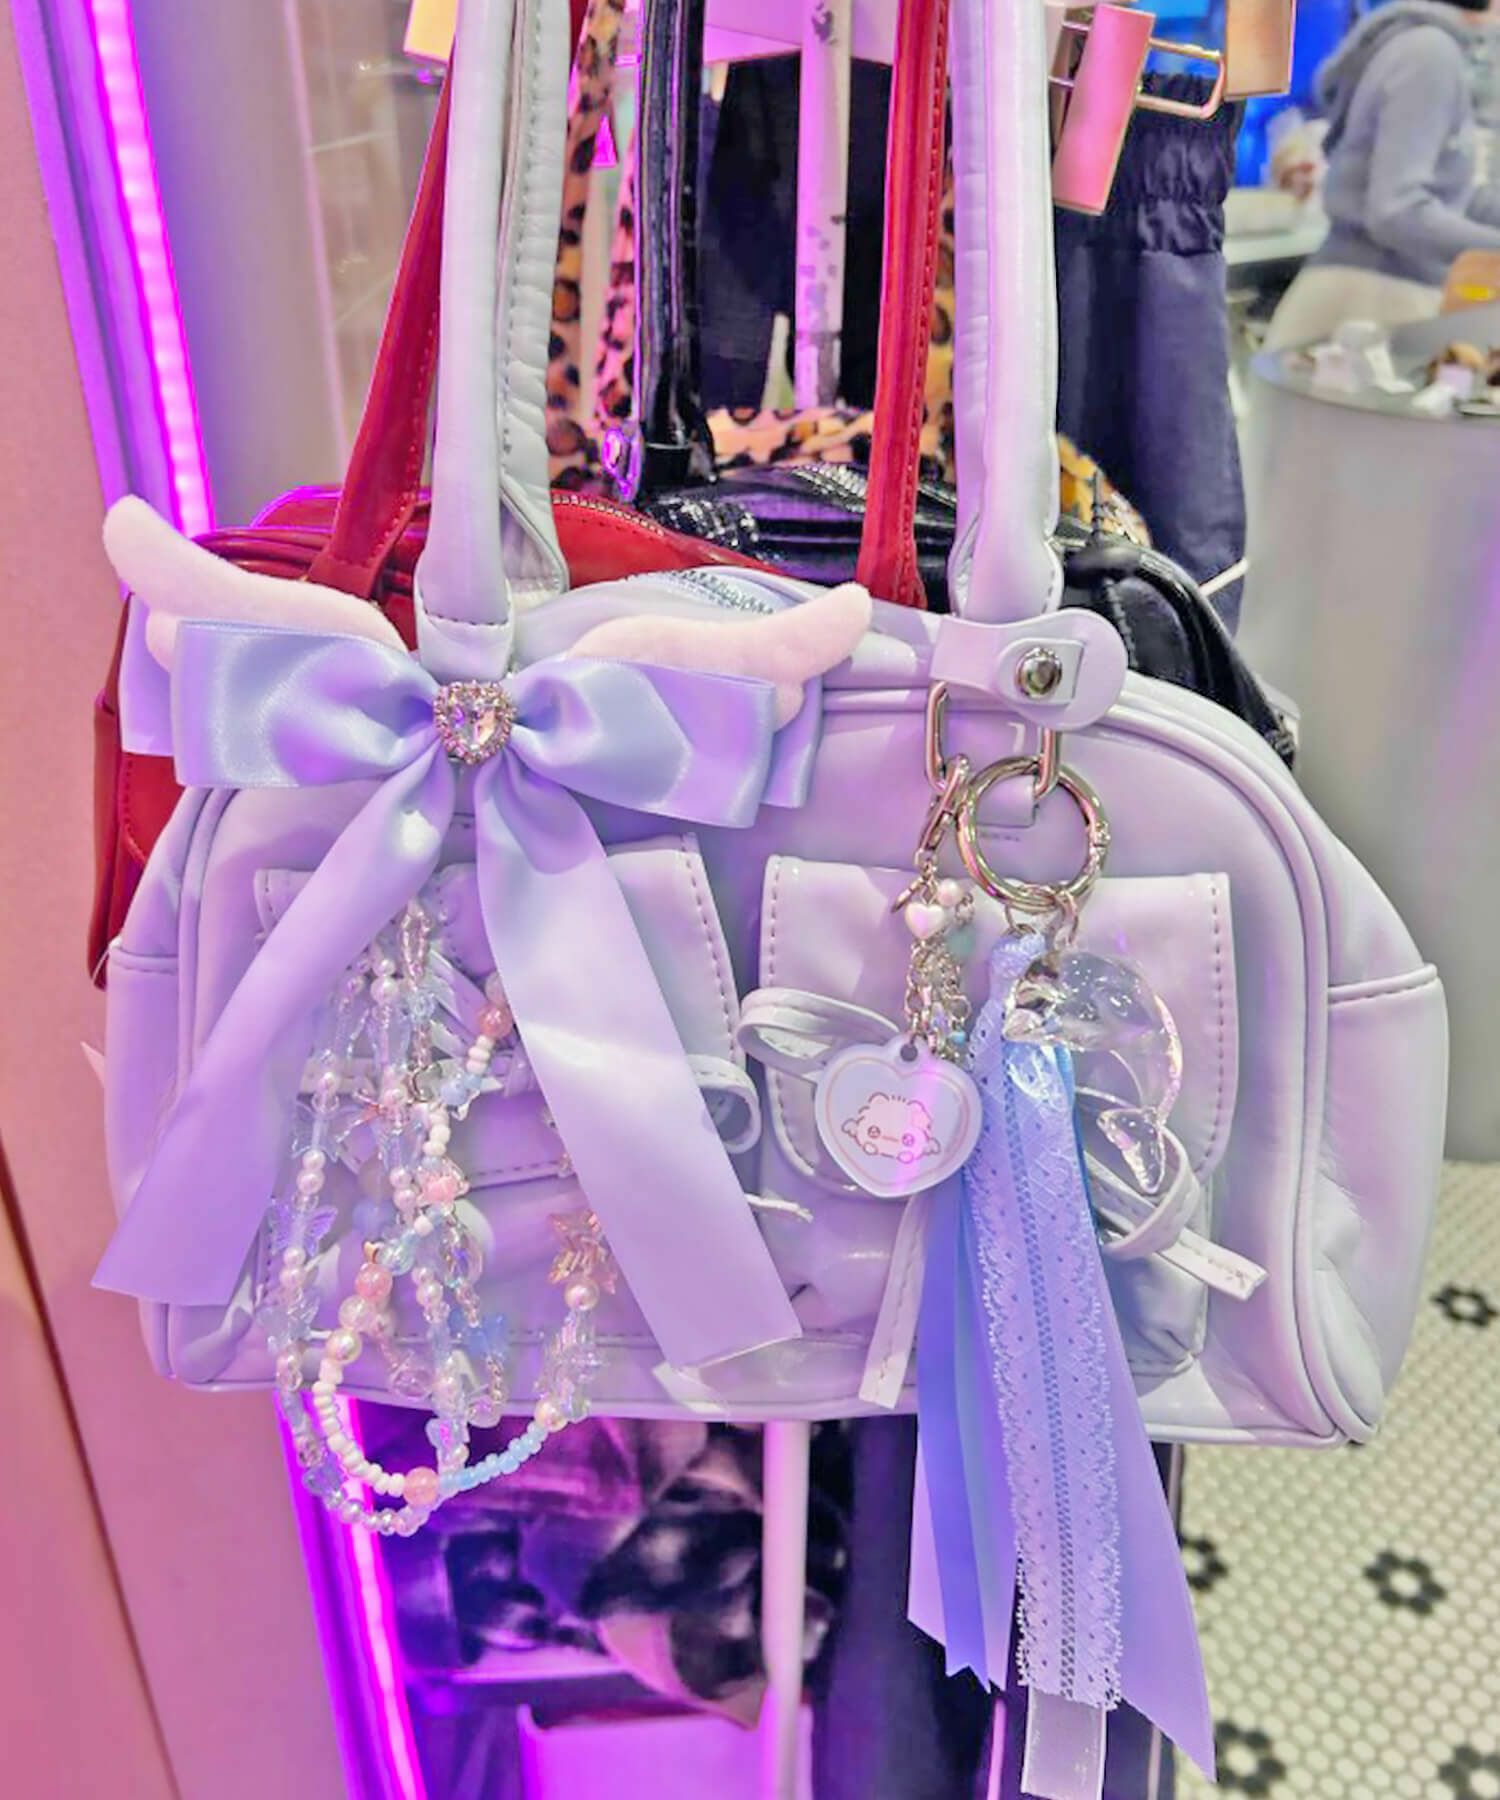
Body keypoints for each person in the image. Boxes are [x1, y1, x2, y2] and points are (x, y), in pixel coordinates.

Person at [1266, 0, 1500, 350]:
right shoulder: (1428, 53)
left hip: (1384, 294)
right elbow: (1395, 211)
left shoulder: (1435, 50)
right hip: (1369, 297)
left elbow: (1460, 198)